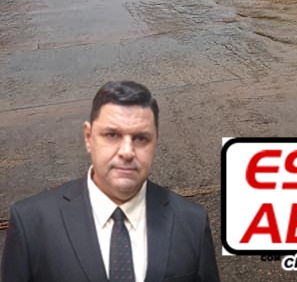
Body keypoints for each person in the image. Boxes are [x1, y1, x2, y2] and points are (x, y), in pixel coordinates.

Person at [0, 81, 221, 282]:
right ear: (88, 137)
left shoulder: (192, 221)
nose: (127, 152)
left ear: (155, 141)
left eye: (141, 138)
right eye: (112, 135)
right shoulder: (32, 223)